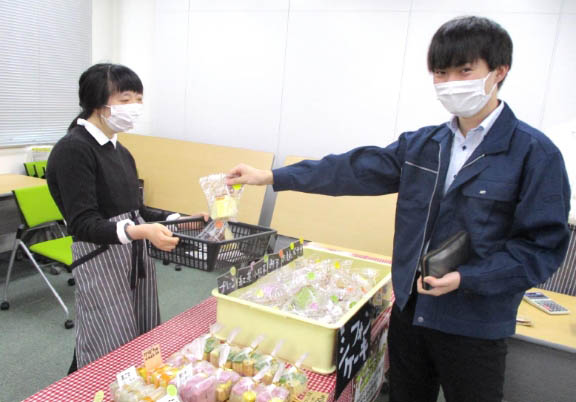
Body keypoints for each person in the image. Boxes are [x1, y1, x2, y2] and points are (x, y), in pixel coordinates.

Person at [226, 16, 571, 402]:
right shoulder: (424, 144)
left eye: (465, 70)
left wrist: (467, 278)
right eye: (441, 72)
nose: (452, 82)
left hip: (476, 323)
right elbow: (353, 169)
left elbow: (540, 248)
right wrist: (272, 176)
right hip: (411, 311)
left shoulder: (535, 154)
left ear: (499, 71)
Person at [47, 63, 205, 371]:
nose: (135, 107)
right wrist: (140, 232)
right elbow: (82, 224)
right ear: (98, 103)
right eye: (125, 99)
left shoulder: (120, 151)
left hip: (133, 256)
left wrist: (180, 219)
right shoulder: (74, 150)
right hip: (99, 259)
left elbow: (137, 210)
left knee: (139, 333)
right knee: (106, 340)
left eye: (138, 99)